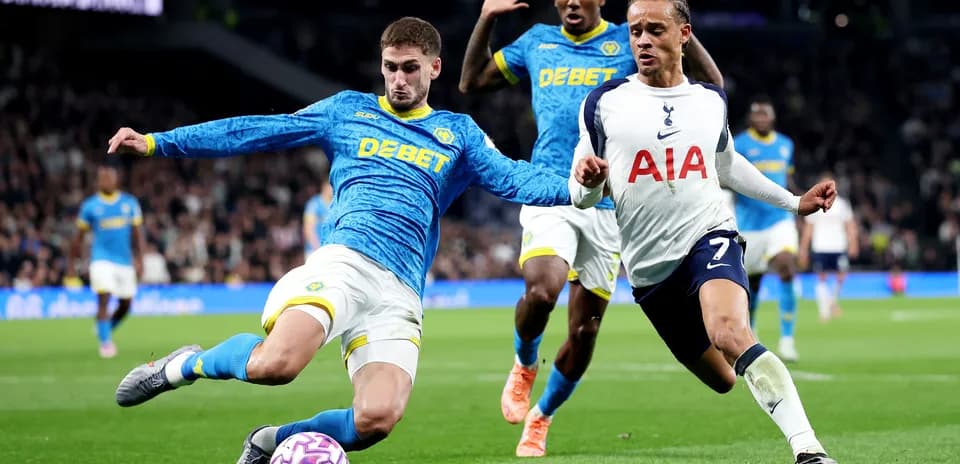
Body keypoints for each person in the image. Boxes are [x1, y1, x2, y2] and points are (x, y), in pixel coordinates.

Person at [108, 17, 572, 464]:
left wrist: (582, 188)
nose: (398, 79)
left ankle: (270, 441)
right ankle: (183, 366)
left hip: (401, 291)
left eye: (410, 68)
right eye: (390, 67)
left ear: (434, 67)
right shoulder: (350, 111)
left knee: (376, 419)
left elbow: (517, 180)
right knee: (278, 365)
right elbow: (254, 131)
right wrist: (156, 143)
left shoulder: (459, 134)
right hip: (344, 264)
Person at [569, 1, 837, 463]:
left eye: (655, 30)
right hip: (651, 272)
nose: (642, 40)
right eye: (635, 31)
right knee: (723, 379)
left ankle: (808, 450)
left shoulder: (709, 100)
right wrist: (589, 183)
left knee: (731, 333)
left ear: (683, 34)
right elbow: (582, 194)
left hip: (709, 236)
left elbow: (727, 167)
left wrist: (794, 202)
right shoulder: (603, 103)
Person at [459, 0, 722, 455]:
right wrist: (486, 18)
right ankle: (524, 364)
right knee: (542, 290)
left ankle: (542, 415)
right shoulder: (537, 41)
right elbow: (471, 81)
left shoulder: (630, 36)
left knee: (584, 333)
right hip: (550, 188)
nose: (571, 2)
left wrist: (676, 19)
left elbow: (711, 85)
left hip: (610, 203)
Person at [733, 95, 801, 362]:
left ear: (772, 118)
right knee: (753, 283)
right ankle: (751, 330)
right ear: (751, 118)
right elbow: (729, 176)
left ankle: (787, 339)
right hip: (749, 224)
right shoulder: (739, 144)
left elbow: (788, 178)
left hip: (779, 220)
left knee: (785, 264)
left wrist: (801, 203)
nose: (762, 119)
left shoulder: (786, 145)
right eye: (757, 115)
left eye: (766, 114)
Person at [66, 164, 144, 358]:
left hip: (124, 261)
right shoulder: (90, 206)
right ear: (97, 181)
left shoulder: (129, 203)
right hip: (101, 260)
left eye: (109, 177)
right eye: (102, 178)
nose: (106, 181)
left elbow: (137, 234)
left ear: (116, 179)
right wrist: (71, 266)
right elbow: (78, 238)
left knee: (126, 304)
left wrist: (141, 259)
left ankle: (105, 327)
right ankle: (106, 343)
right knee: (104, 298)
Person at [798, 174, 858, 322]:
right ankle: (824, 310)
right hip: (821, 246)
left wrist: (853, 243)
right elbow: (808, 229)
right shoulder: (815, 204)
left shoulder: (842, 204)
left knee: (841, 276)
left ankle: (831, 302)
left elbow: (849, 225)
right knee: (822, 277)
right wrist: (803, 249)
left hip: (838, 245)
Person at [303, 179, 333, 260]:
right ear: (324, 187)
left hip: (330, 250)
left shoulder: (335, 204)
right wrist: (317, 248)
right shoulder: (314, 204)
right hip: (314, 250)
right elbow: (308, 229)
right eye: (331, 186)